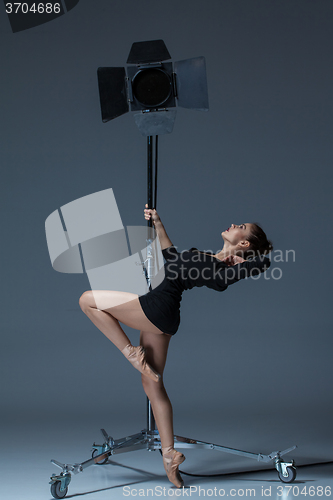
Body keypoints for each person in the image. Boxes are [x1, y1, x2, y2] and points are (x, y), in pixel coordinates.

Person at [79, 204, 273, 488]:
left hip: (156, 308)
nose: (234, 224)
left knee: (87, 300)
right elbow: (170, 255)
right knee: (152, 384)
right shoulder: (209, 256)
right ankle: (169, 456)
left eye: (241, 227)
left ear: (243, 242)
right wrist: (158, 223)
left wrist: (247, 264)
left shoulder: (222, 269)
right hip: (163, 318)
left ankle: (131, 353)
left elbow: (254, 267)